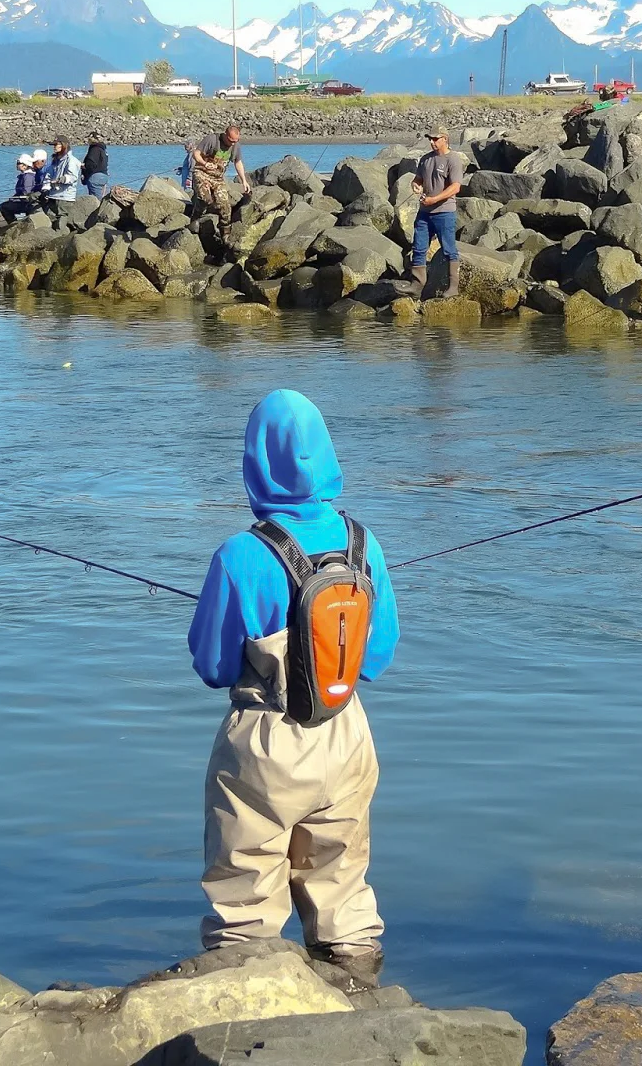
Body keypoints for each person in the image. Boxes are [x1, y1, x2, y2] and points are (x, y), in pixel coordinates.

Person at [187, 390, 400, 989]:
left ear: (254, 461)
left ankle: (251, 1026)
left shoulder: (239, 555)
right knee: (344, 897)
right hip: (347, 731)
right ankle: (361, 1004)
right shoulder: (363, 543)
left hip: (266, 743)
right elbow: (377, 657)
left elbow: (213, 665)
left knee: (245, 905)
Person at [409, 126, 463, 297]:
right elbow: (418, 179)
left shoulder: (453, 160)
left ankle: (453, 287)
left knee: (449, 248)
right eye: (430, 139)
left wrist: (435, 199)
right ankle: (417, 285)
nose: (432, 142)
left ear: (444, 139)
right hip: (424, 213)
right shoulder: (425, 159)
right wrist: (416, 185)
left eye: (435, 139)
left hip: (444, 212)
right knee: (419, 247)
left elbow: (455, 187)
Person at [189, 125, 250, 224]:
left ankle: (225, 234)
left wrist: (244, 181)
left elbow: (238, 162)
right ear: (225, 135)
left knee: (225, 207)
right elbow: (196, 153)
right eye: (231, 141)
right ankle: (195, 219)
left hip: (218, 178)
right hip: (202, 173)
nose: (233, 143)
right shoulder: (212, 140)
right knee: (206, 199)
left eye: (236, 141)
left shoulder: (236, 146)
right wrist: (205, 163)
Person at [37, 135, 81, 226]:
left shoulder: (72, 160)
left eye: (56, 145)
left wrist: (61, 179)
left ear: (63, 145)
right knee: (49, 217)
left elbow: (73, 177)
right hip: (53, 195)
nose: (54, 147)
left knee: (61, 220)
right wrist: (45, 188)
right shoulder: (55, 161)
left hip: (65, 197)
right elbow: (48, 176)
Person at [0, 153, 39, 221]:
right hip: (24, 202)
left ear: (25, 165)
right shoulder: (24, 175)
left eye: (19, 163)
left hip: (26, 204)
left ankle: (13, 223)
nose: (17, 164)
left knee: (3, 207)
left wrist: (15, 199)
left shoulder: (28, 176)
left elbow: (26, 193)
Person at [82, 132, 110, 199]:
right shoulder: (103, 149)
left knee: (95, 200)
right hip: (104, 175)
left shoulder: (94, 149)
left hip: (95, 177)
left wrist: (84, 167)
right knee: (99, 198)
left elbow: (91, 164)